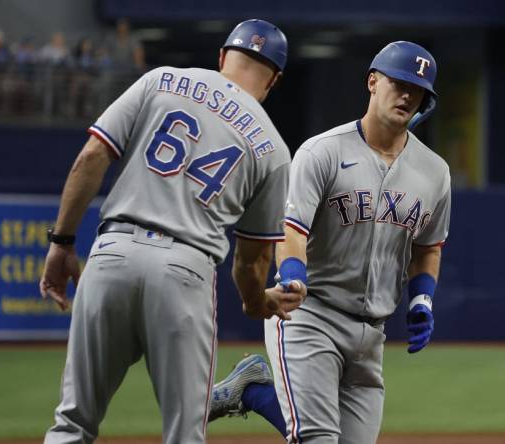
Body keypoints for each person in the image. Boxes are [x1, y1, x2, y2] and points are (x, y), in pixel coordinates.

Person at [39, 19, 305, 444]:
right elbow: (251, 260)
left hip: (112, 253)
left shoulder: (161, 80)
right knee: (184, 434)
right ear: (274, 79)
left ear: (222, 57)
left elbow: (90, 156)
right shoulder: (273, 148)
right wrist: (257, 302)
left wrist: (62, 242)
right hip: (185, 270)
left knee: (73, 422)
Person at [209, 41, 451, 444]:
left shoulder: (434, 172)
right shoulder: (323, 151)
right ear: (373, 82)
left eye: (419, 89)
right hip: (310, 314)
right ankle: (254, 391)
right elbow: (292, 228)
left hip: (372, 333)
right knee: (317, 438)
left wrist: (422, 299)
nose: (408, 94)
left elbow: (428, 245)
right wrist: (292, 274)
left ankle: (252, 391)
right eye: (399, 82)